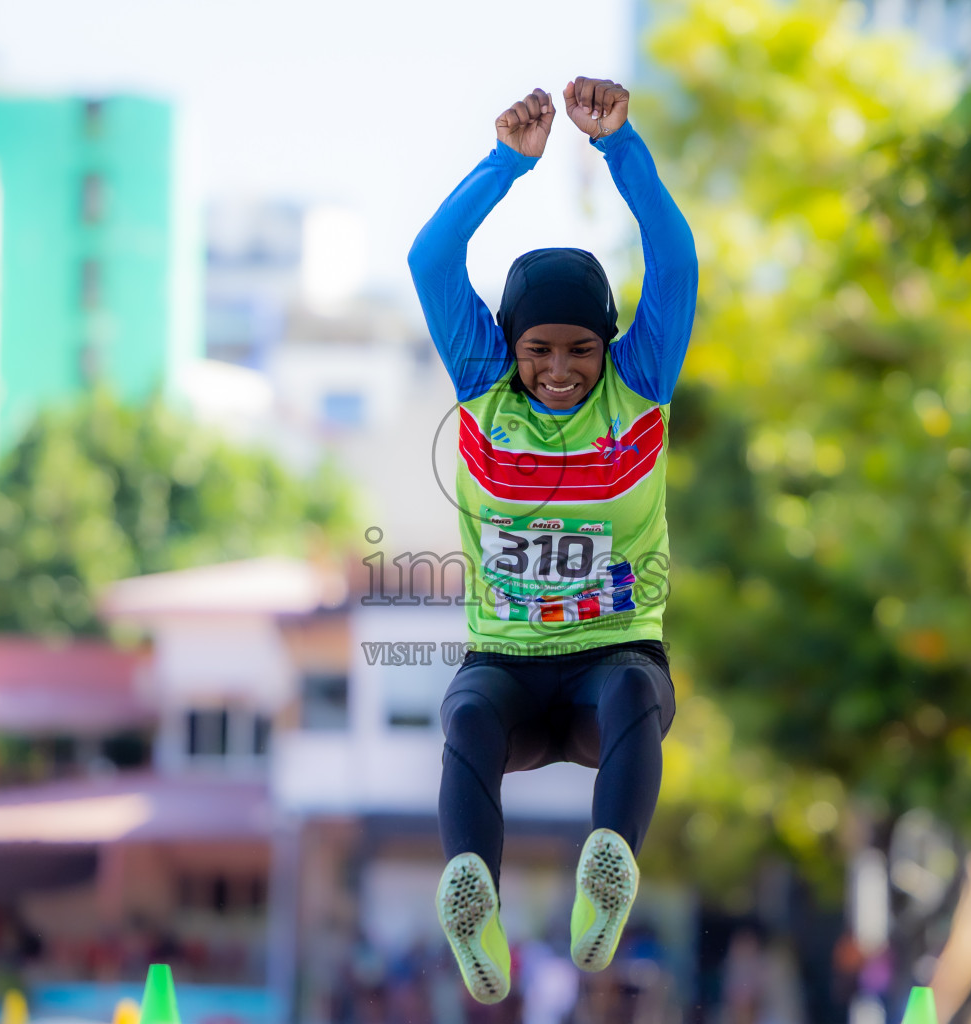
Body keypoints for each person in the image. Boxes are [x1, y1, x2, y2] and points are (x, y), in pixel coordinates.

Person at [407, 76, 697, 1004]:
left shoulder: (643, 380)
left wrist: (619, 149)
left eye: (581, 348)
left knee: (633, 695)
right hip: (507, 660)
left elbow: (677, 260)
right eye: (541, 351)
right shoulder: (483, 383)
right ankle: (473, 903)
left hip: (612, 659)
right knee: (466, 719)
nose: (562, 369)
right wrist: (509, 164)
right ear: (508, 345)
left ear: (611, 343)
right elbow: (431, 258)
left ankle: (607, 867)